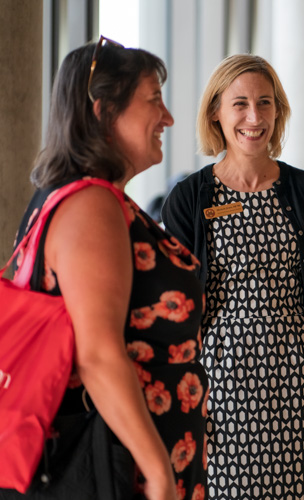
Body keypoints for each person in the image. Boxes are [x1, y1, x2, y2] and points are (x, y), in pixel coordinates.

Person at [2, 38, 206, 499]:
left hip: (126, 457)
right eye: (154, 100)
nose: (169, 118)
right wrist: (158, 473)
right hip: (121, 467)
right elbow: (97, 354)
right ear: (103, 111)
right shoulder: (90, 204)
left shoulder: (81, 200)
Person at [161, 54, 304, 500]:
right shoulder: (190, 199)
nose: (254, 117)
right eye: (240, 104)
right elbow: (173, 306)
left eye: (265, 103)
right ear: (216, 112)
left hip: (300, 389)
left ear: (278, 111)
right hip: (219, 394)